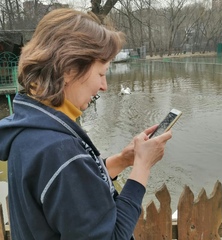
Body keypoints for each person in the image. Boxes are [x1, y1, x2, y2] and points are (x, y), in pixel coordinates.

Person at [0, 8, 172, 240]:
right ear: (69, 69)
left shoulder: (30, 128)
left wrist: (123, 160)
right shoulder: (59, 150)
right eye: (101, 74)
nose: (105, 86)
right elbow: (113, 235)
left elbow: (72, 190)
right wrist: (143, 166)